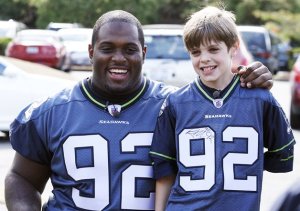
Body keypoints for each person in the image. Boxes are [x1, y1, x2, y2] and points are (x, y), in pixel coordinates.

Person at [5, 9, 274, 211]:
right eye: (107, 48)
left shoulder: (179, 106)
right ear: (90, 52)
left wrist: (249, 79)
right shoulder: (54, 111)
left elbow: (226, 107)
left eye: (130, 50)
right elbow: (20, 178)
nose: (119, 58)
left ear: (143, 53)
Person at [149, 6, 295, 211]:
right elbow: (165, 174)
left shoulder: (260, 99)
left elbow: (283, 156)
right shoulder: (176, 103)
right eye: (196, 52)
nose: (204, 58)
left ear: (234, 47)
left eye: (213, 49)